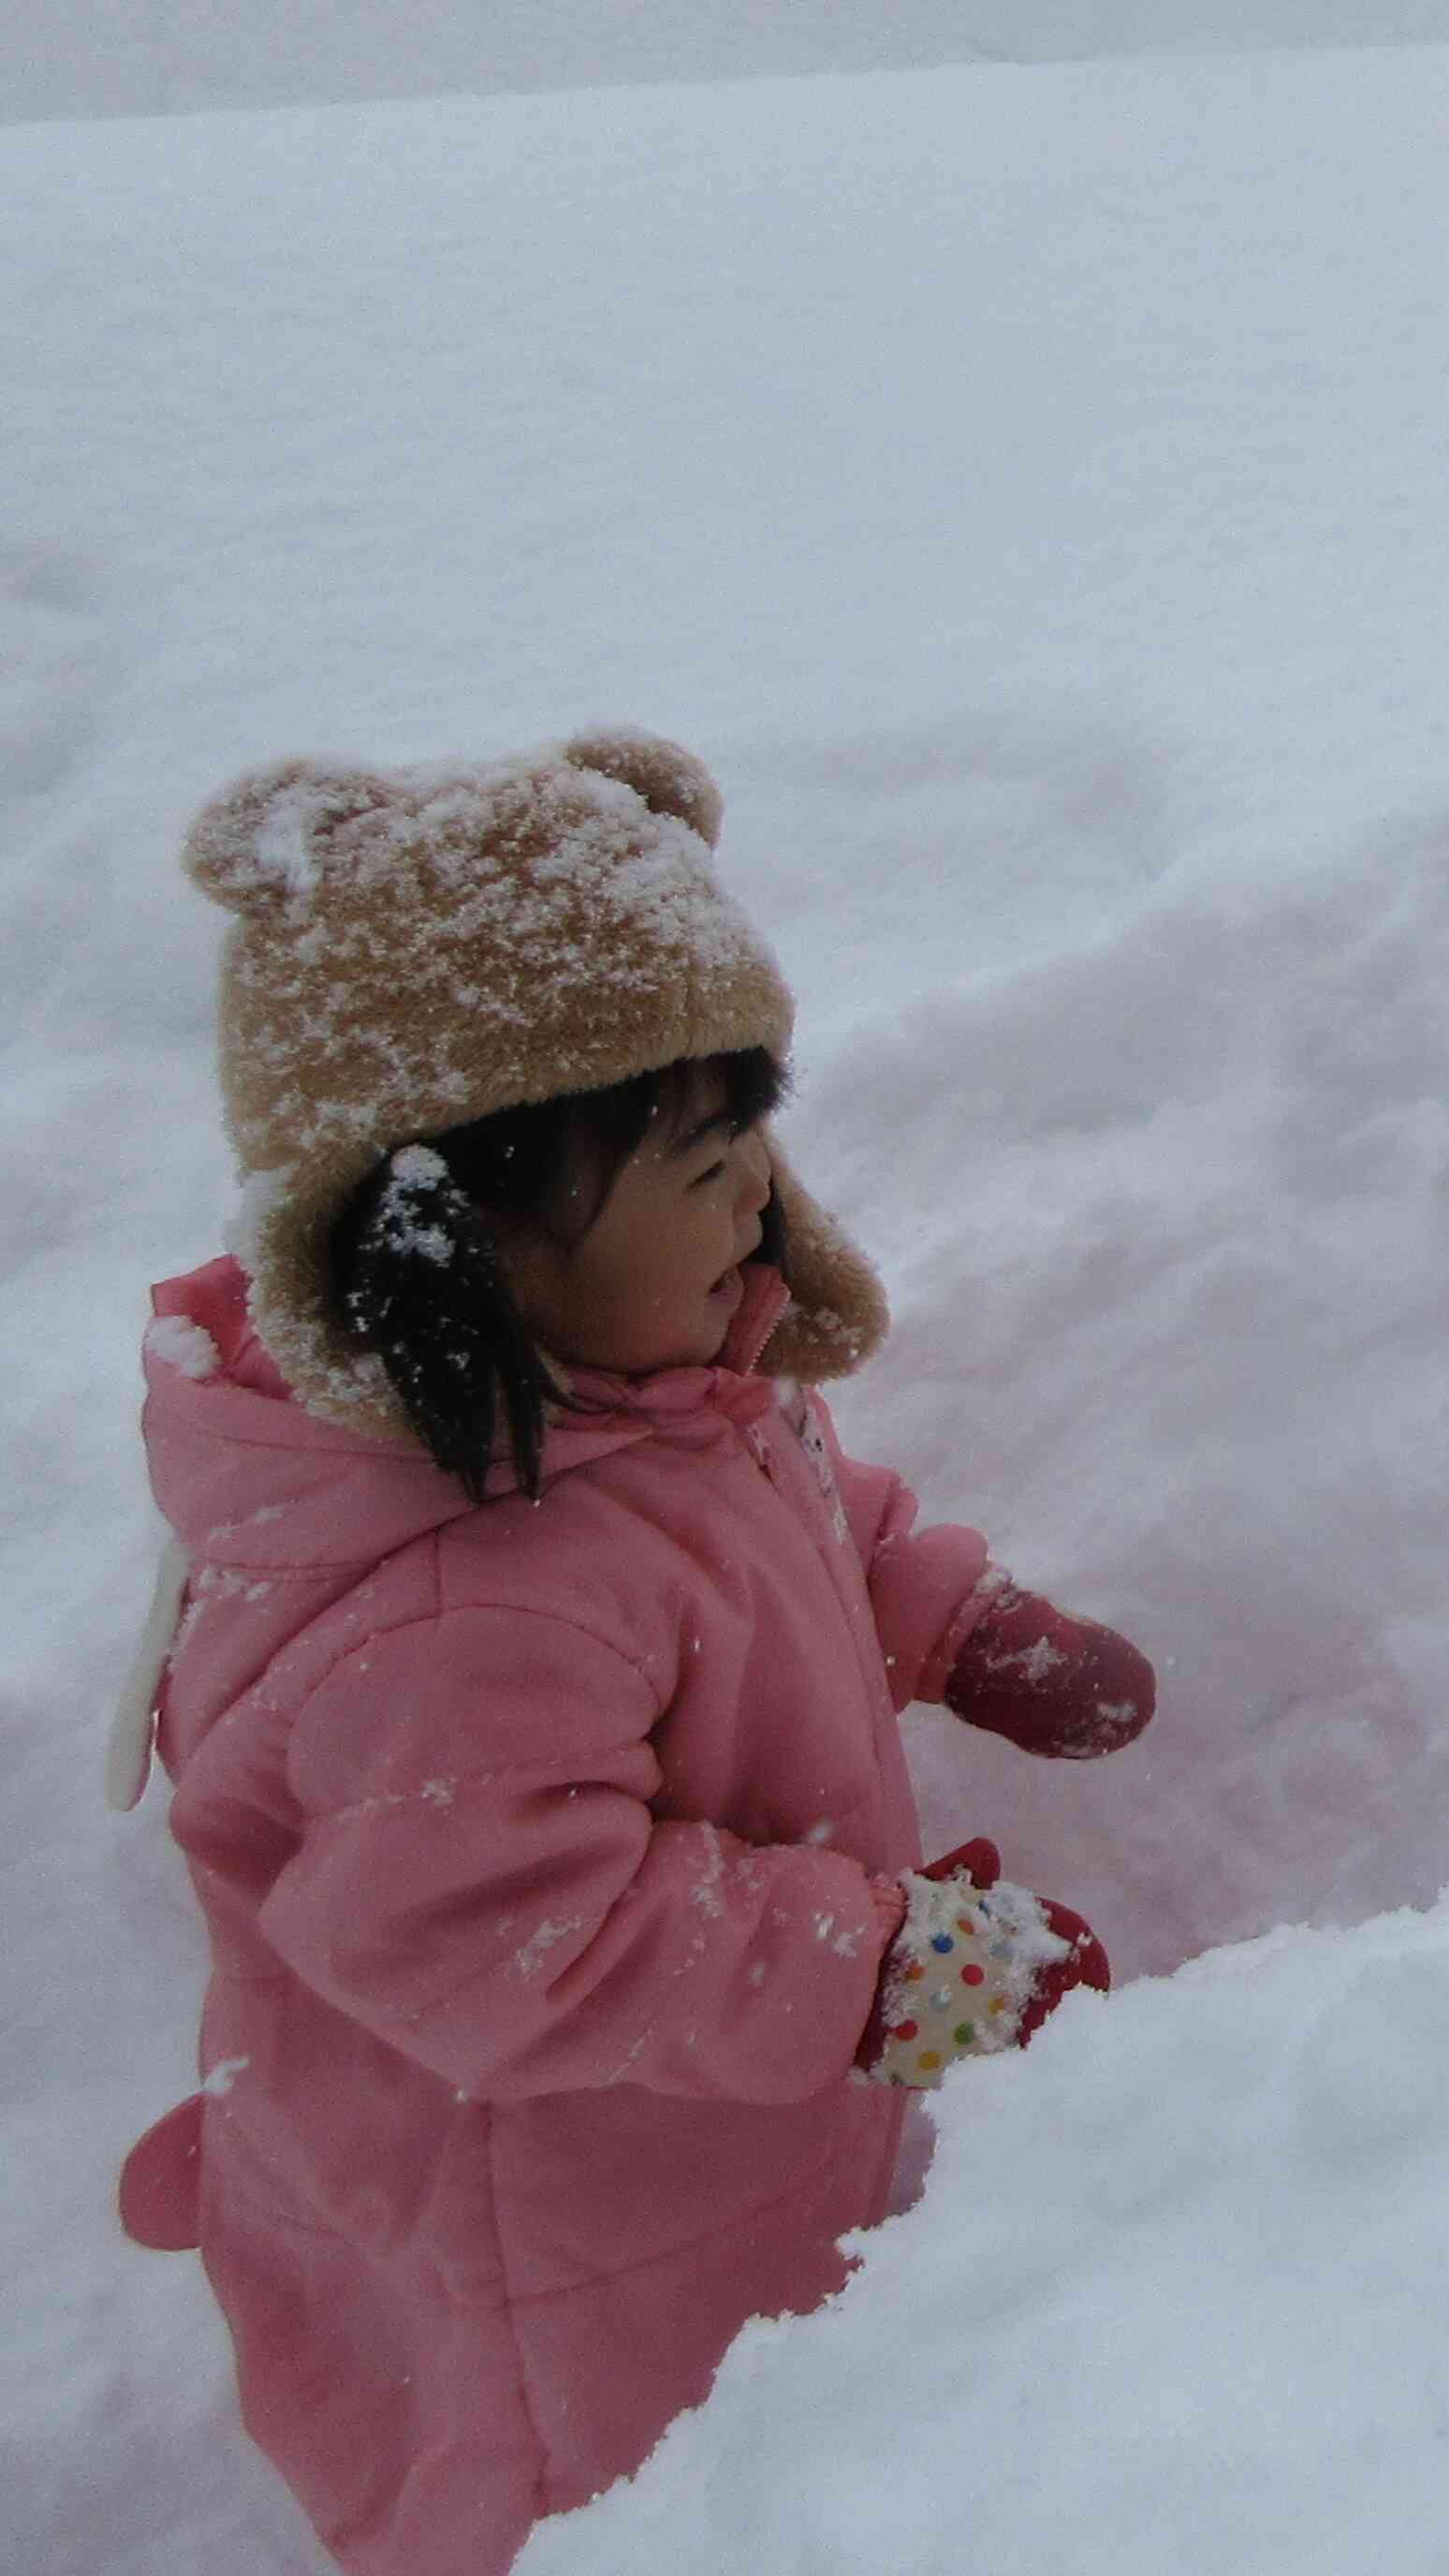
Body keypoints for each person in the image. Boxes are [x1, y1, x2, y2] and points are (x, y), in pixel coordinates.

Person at [106, 730, 1161, 2575]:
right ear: (467, 1242)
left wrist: (944, 1612)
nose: (761, 1197)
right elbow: (524, 1929)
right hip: (556, 2213)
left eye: (756, 1135)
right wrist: (891, 1966)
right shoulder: (459, 1608)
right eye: (706, 1160)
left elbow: (780, 1505)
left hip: (687, 2103)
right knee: (636, 2485)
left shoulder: (632, 1384)